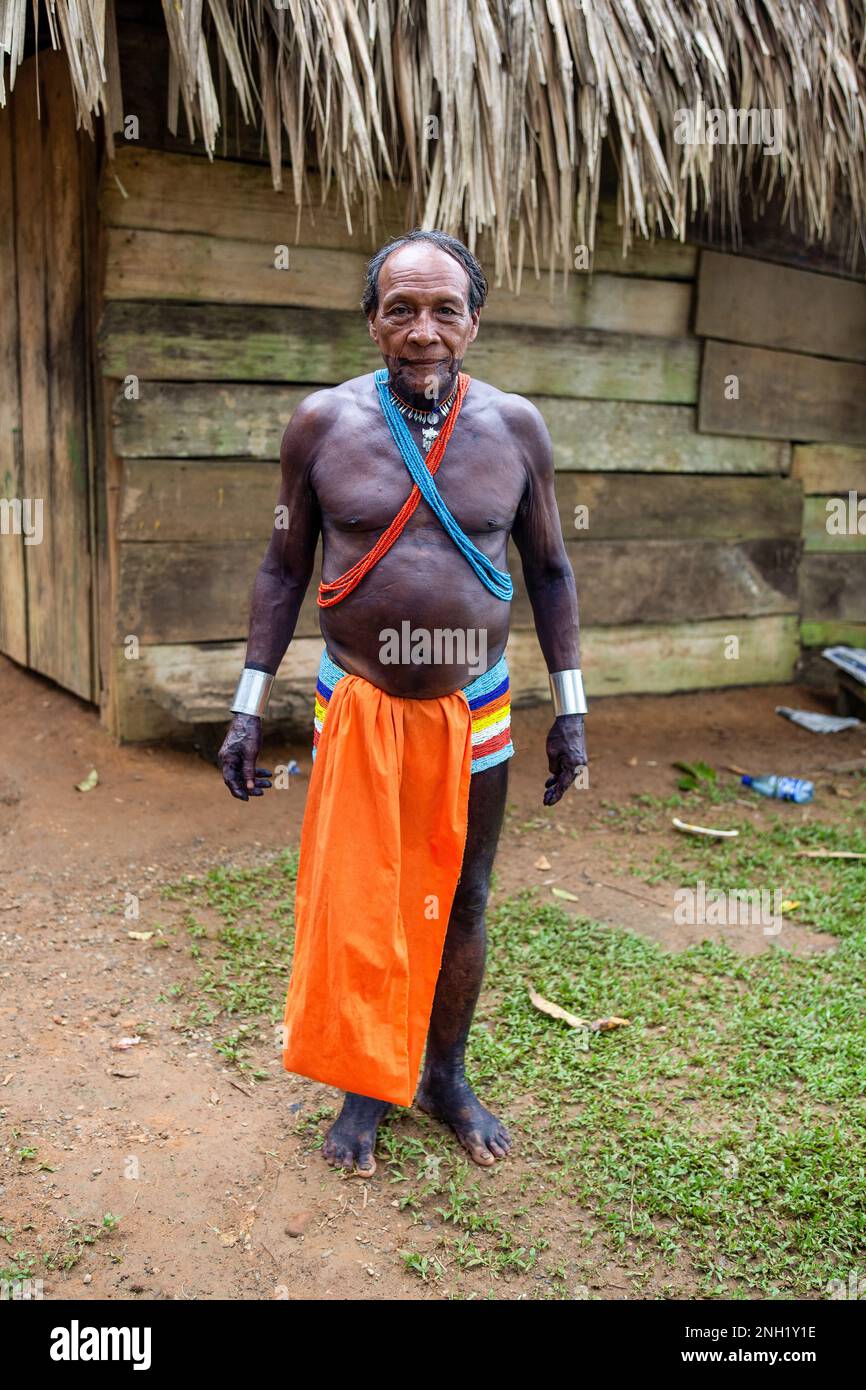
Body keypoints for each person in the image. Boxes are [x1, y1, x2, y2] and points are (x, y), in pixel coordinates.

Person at [219, 229, 587, 1174]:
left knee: (464, 897)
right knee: (364, 895)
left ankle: (444, 1078)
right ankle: (365, 1084)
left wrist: (573, 711)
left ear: (475, 320)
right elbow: (282, 568)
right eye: (401, 310)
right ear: (372, 321)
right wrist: (247, 705)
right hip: (359, 706)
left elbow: (550, 571)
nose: (423, 330)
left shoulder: (516, 430)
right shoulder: (322, 425)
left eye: (444, 310)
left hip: (478, 707)